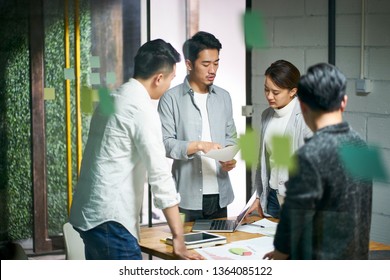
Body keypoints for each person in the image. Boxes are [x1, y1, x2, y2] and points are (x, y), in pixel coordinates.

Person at [69, 39, 203, 260]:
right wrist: (179, 239)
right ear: (158, 78)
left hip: (90, 216)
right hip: (110, 221)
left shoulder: (111, 99)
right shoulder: (142, 109)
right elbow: (160, 175)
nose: (170, 85)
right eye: (170, 79)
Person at [264, 63, 373, 259]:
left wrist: (281, 251)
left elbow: (294, 213)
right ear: (344, 102)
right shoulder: (360, 146)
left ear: (303, 105)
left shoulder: (310, 154)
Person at [158, 31, 237, 222]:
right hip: (186, 196)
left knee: (219, 249)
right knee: (188, 250)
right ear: (188, 64)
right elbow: (165, 144)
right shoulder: (171, 99)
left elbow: (231, 137)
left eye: (216, 63)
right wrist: (200, 145)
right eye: (206, 64)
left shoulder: (224, 97)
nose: (213, 70)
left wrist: (229, 158)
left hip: (220, 195)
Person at [248, 60, 312, 219]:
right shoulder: (266, 115)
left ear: (292, 91)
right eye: (266, 90)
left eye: (275, 92)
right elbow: (262, 161)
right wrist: (257, 196)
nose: (269, 96)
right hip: (272, 198)